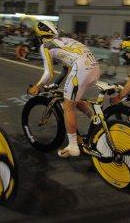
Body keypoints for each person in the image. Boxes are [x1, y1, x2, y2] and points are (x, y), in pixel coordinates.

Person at [28, 21, 100, 158]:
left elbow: (48, 73)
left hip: (81, 69)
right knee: (73, 98)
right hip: (95, 68)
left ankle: (73, 146)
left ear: (39, 36)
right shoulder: (65, 40)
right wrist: (56, 84)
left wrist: (38, 86)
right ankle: (94, 119)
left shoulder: (45, 46)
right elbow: (65, 68)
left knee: (68, 106)